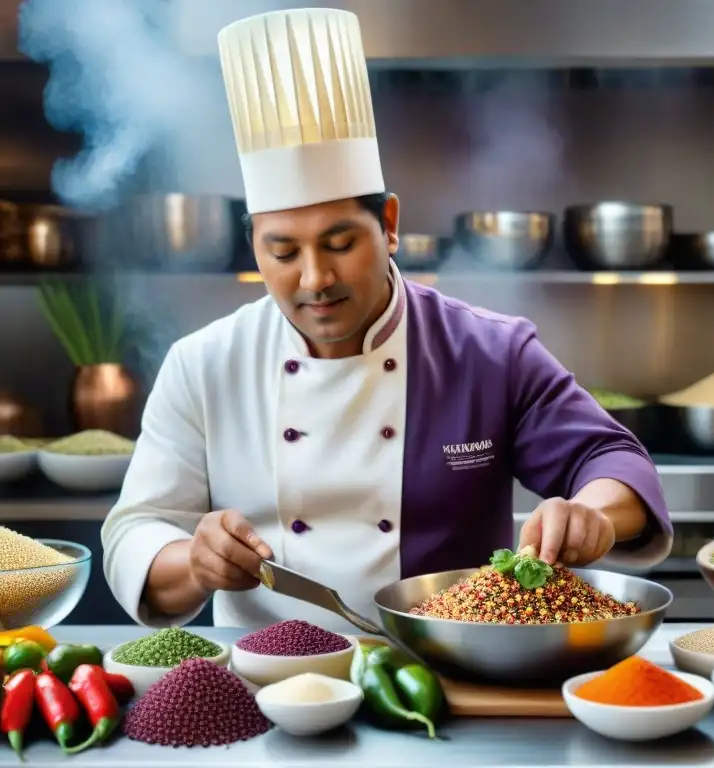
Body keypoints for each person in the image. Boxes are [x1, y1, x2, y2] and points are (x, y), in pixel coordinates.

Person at [101, 7, 672, 632]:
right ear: (255, 246)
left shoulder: (488, 352)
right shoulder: (205, 364)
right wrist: (196, 562)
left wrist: (592, 513)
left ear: (390, 225)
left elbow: (613, 459)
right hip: (267, 687)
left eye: (341, 243)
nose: (314, 278)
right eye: (283, 252)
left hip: (447, 670)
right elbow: (135, 531)